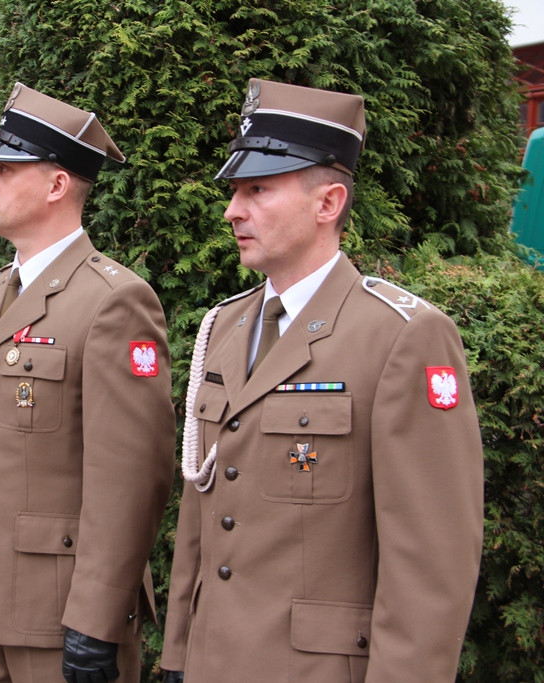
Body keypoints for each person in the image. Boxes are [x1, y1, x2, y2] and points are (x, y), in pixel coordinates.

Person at [160, 79, 484, 682]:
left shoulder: (401, 337)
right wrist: (178, 652)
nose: (233, 210)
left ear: (329, 203)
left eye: (257, 189)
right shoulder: (225, 326)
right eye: (234, 191)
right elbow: (202, 514)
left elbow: (430, 564)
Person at [0, 82, 176, 683]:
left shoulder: (114, 301)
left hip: (59, 609)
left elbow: (131, 478)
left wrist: (97, 615)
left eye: (4, 168)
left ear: (56, 185)